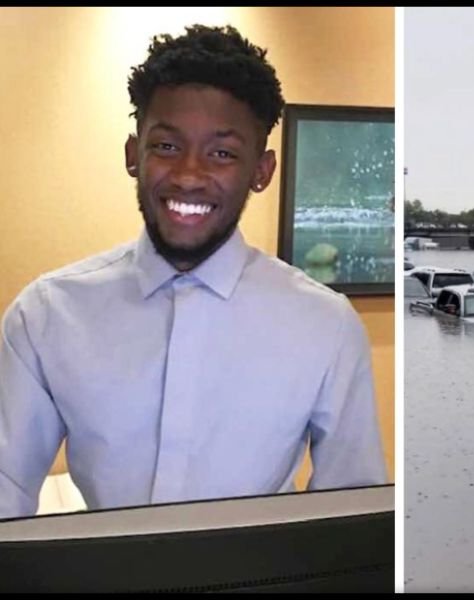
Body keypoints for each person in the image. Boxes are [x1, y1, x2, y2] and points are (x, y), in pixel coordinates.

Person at [0, 24, 387, 518]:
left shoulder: (327, 326)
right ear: (132, 154)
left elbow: (350, 518)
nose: (188, 174)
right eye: (166, 146)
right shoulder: (45, 316)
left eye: (222, 153)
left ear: (261, 171)